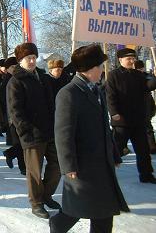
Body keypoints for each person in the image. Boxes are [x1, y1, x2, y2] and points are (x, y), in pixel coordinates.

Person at [51, 44, 129, 233]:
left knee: (103, 211)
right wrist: (68, 165)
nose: (103, 70)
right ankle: (58, 225)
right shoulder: (68, 93)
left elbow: (104, 127)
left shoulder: (97, 90)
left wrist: (114, 154)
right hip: (82, 165)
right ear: (91, 68)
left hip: (101, 163)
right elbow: (63, 133)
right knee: (77, 208)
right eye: (100, 66)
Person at [7, 42, 60, 219]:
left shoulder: (43, 78)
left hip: (50, 131)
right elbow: (15, 111)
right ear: (20, 61)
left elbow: (52, 104)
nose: (31, 61)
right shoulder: (15, 82)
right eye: (27, 58)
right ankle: (36, 203)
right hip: (31, 134)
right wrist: (25, 131)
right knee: (35, 172)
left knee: (58, 165)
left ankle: (46, 194)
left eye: (33, 58)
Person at [106, 48, 156, 183]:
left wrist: (155, 77)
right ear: (120, 60)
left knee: (143, 150)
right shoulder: (113, 75)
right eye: (129, 59)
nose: (132, 61)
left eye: (133, 59)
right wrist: (114, 113)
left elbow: (149, 86)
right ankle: (106, 174)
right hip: (121, 120)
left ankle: (146, 174)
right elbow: (110, 96)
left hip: (138, 120)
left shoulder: (138, 75)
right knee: (115, 149)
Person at [2, 57, 26, 175]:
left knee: (21, 143)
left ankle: (11, 154)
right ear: (6, 69)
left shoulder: (18, 79)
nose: (14, 68)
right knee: (20, 143)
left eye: (16, 66)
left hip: (18, 115)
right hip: (11, 117)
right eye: (11, 67)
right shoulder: (6, 81)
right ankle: (22, 166)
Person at [134, 60, 156, 155]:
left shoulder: (146, 77)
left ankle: (152, 147)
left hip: (146, 106)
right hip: (135, 106)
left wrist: (155, 76)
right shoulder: (131, 76)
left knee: (147, 127)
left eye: (140, 68)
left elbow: (151, 85)